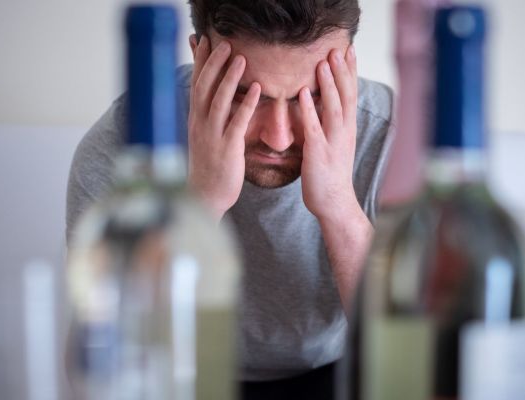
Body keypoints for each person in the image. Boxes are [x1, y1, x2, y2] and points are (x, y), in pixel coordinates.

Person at [66, 0, 394, 398]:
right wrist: (199, 203)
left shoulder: (391, 140)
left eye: (309, 97)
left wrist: (339, 204)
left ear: (348, 68)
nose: (279, 138)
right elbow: (117, 360)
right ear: (199, 58)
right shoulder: (120, 147)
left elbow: (402, 359)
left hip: (343, 367)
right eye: (245, 95)